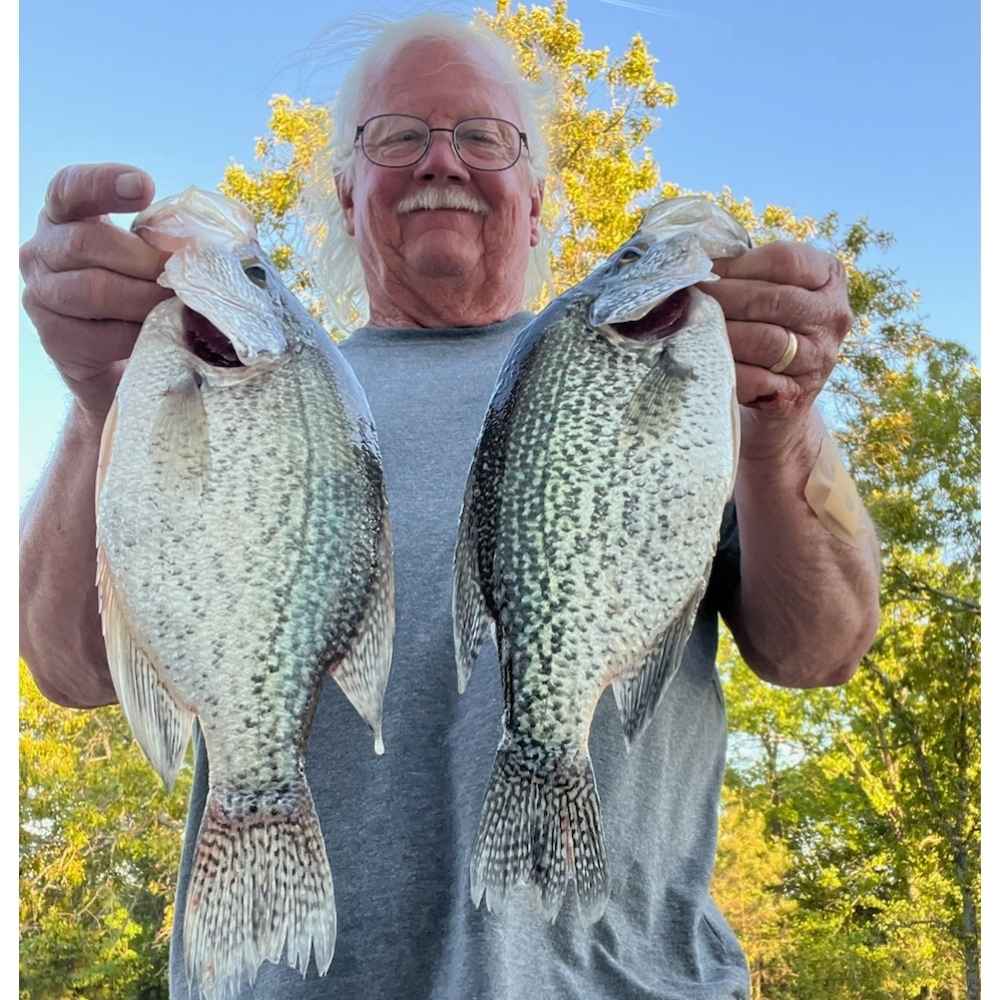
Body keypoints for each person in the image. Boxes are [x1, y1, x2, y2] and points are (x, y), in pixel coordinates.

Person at [18, 14, 881, 1000]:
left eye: (484, 137)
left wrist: (784, 419)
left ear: (540, 196)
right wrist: (98, 399)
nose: (442, 162)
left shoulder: (690, 391)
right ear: (345, 190)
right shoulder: (250, 387)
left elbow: (822, 649)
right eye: (397, 137)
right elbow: (71, 669)